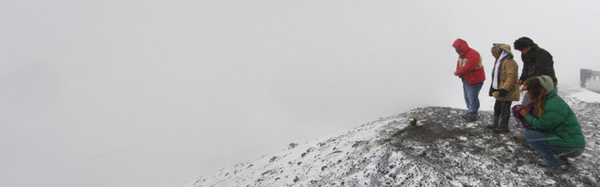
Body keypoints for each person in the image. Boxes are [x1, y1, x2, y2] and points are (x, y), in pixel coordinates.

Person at [515, 75, 585, 167]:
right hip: (566, 140)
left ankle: (554, 161)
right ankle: (559, 156)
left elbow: (543, 125)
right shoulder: (546, 100)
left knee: (529, 134)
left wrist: (525, 114)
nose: (528, 93)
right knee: (533, 132)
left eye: (530, 90)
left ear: (539, 90)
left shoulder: (554, 105)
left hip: (574, 147)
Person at [513, 37, 557, 106]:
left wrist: (529, 81)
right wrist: (522, 79)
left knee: (545, 108)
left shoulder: (542, 54)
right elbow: (526, 68)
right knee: (526, 107)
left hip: (546, 86)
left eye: (522, 49)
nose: (521, 52)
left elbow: (542, 71)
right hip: (533, 86)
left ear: (528, 47)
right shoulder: (525, 55)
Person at [487, 44, 520, 133]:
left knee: (504, 108)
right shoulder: (500, 61)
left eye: (493, 52)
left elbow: (511, 77)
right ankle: (496, 124)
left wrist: (505, 89)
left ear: (500, 52)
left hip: (507, 90)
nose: (492, 55)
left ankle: (503, 126)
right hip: (500, 89)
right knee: (497, 107)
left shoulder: (509, 62)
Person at [453, 38, 485, 122]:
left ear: (461, 47)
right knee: (467, 97)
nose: (456, 51)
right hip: (467, 78)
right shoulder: (462, 55)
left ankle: (473, 114)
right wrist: (459, 72)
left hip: (475, 79)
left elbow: (469, 67)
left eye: (457, 48)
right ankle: (470, 112)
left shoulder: (473, 54)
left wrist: (458, 72)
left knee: (472, 97)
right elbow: (459, 65)